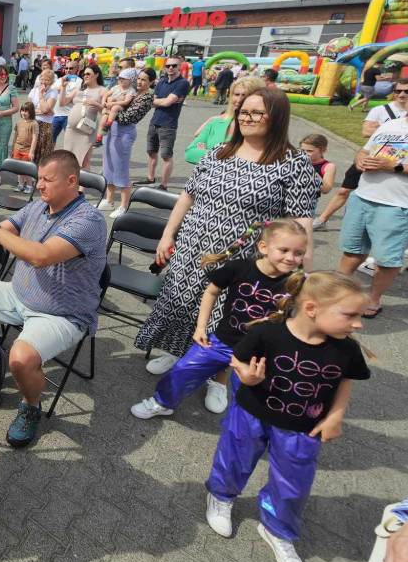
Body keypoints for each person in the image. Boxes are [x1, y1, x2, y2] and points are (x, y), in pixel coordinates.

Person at [134, 88, 320, 374]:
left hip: (243, 258)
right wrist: (168, 234)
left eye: (256, 113)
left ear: (277, 117)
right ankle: (176, 352)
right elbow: (187, 195)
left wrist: (304, 273)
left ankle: (217, 375)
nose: (246, 118)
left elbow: (301, 221)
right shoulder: (219, 152)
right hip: (192, 247)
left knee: (227, 317)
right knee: (181, 303)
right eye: (243, 111)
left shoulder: (294, 163)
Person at [203, 271, 372, 562]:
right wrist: (246, 377)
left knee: (294, 481)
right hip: (251, 413)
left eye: (360, 316)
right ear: (311, 308)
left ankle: (277, 528)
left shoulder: (346, 349)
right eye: (351, 315)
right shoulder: (268, 333)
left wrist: (335, 416)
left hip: (303, 427)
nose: (359, 324)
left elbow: (344, 381)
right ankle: (221, 496)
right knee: (234, 458)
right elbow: (238, 359)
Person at [0, 149, 107, 448]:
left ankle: (31, 407)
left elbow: (40, 257)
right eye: (39, 178)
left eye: (47, 179)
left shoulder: (89, 220)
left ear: (71, 181)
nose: (40, 185)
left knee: (20, 358)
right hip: (17, 293)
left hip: (62, 313)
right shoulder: (36, 207)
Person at [131, 219, 307, 421]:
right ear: (263, 247)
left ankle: (248, 427)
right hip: (222, 341)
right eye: (284, 250)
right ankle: (163, 403)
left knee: (252, 397)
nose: (290, 258)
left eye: (298, 253)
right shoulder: (240, 268)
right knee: (183, 370)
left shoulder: (296, 284)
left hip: (260, 354)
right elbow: (211, 292)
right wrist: (201, 327)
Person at [336, 97, 408, 318]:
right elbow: (364, 150)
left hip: (397, 205)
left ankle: (373, 299)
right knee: (353, 250)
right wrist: (359, 161)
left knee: (387, 259)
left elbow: (394, 164)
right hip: (363, 196)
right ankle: (338, 290)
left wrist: (394, 166)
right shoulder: (391, 124)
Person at [313, 76, 408, 230]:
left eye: (407, 91)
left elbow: (373, 131)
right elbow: (365, 132)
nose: (402, 94)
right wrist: (385, 129)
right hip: (370, 158)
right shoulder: (380, 110)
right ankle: (322, 219)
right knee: (344, 190)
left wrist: (380, 129)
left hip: (398, 164)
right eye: (398, 91)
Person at [100, 68, 155, 216]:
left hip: (124, 131)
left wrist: (108, 108)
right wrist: (109, 105)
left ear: (151, 82)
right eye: (139, 78)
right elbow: (110, 98)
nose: (140, 82)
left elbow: (126, 118)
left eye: (144, 80)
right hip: (111, 129)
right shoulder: (131, 91)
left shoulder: (147, 98)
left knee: (121, 168)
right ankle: (109, 200)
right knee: (108, 166)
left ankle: (124, 205)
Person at [184, 76, 266, 164]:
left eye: (245, 95)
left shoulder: (258, 127)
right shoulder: (216, 123)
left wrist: (209, 154)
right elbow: (189, 153)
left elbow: (251, 160)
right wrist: (226, 156)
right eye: (236, 94)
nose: (239, 100)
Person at [141, 56, 191, 190]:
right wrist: (163, 101)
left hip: (168, 124)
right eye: (168, 65)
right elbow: (152, 102)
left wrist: (162, 101)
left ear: (180, 66)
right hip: (154, 121)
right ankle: (150, 178)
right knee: (151, 152)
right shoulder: (162, 82)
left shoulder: (183, 83)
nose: (171, 68)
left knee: (166, 156)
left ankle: (163, 185)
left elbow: (166, 102)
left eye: (174, 65)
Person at [59, 62, 107, 168]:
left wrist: (95, 104)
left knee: (84, 161)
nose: (85, 76)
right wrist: (63, 87)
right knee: (69, 159)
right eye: (84, 74)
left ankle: (83, 179)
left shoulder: (102, 90)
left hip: (86, 130)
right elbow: (62, 103)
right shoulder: (79, 89)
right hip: (71, 129)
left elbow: (106, 111)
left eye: (88, 74)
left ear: (96, 75)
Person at [98, 67, 138, 141]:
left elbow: (126, 102)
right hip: (109, 107)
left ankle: (109, 124)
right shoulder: (116, 87)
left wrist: (112, 103)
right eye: (119, 78)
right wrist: (103, 102)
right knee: (103, 121)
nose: (121, 80)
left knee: (115, 107)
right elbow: (106, 95)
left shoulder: (131, 90)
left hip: (120, 108)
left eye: (124, 78)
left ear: (130, 81)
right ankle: (99, 138)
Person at [27, 70, 58, 166]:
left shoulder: (53, 92)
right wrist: (43, 111)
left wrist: (41, 96)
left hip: (45, 125)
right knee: (31, 150)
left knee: (43, 152)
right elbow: (28, 109)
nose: (44, 82)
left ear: (51, 82)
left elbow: (46, 108)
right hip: (32, 123)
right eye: (42, 79)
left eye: (47, 80)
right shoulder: (33, 91)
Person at [11, 101, 38, 192]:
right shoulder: (19, 123)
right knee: (19, 169)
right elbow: (15, 136)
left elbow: (35, 138)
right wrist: (13, 148)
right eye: (22, 110)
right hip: (17, 149)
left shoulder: (34, 124)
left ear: (31, 112)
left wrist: (31, 151)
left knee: (26, 169)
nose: (23, 113)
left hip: (27, 150)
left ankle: (29, 185)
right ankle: (20, 184)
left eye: (26, 111)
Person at [50, 60, 80, 143]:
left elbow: (76, 98)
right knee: (50, 139)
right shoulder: (60, 80)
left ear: (76, 69)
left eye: (71, 68)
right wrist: (59, 88)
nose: (68, 70)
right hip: (56, 114)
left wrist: (62, 91)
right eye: (66, 68)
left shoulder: (79, 82)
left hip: (69, 115)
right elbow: (50, 91)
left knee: (70, 140)